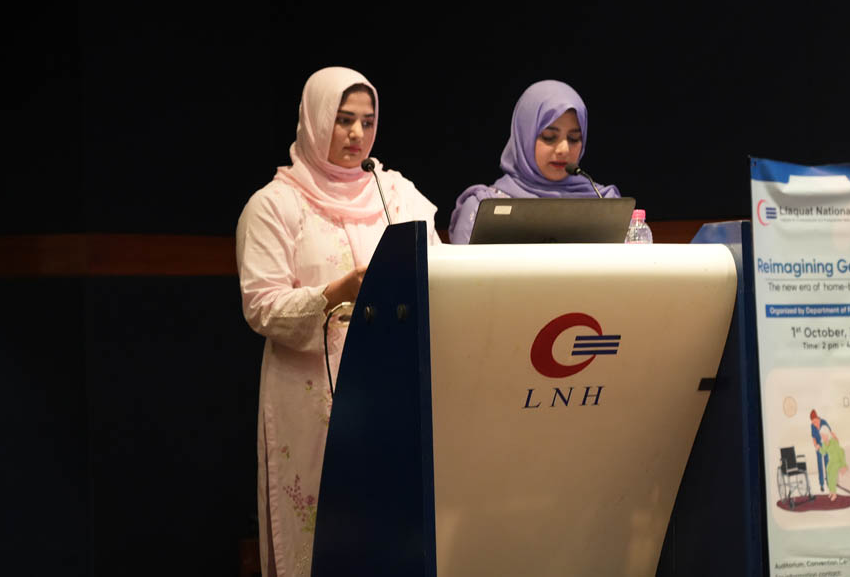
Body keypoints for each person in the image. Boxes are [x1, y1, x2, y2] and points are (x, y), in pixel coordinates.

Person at [236, 67, 439, 577]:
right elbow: (261, 305)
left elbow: (439, 265)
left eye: (367, 122)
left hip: (394, 389)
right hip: (310, 398)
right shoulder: (275, 205)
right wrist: (336, 294)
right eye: (343, 120)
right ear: (314, 119)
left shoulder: (396, 194)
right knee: (322, 533)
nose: (356, 134)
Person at [447, 80, 620, 244]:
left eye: (574, 138)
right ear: (524, 137)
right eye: (549, 137)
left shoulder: (604, 204)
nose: (564, 149)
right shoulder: (483, 208)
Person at [816, 425, 848, 501]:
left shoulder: (833, 441)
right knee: (828, 471)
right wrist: (819, 448)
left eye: (823, 435)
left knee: (832, 475)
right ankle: (831, 491)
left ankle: (834, 494)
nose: (822, 437)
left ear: (827, 434)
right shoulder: (824, 443)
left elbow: (840, 452)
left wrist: (843, 465)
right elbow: (823, 452)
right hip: (832, 461)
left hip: (838, 460)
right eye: (821, 435)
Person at [810, 409, 837, 491]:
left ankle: (829, 482)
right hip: (818, 446)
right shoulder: (812, 425)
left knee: (827, 463)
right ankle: (821, 484)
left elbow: (830, 432)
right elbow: (813, 437)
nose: (814, 423)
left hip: (825, 445)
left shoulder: (824, 422)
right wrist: (815, 445)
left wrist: (835, 439)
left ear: (817, 418)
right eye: (813, 422)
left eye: (815, 421)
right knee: (820, 464)